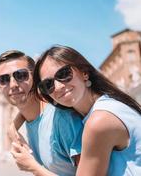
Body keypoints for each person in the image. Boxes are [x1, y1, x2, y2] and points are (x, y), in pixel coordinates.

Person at [30, 45, 141, 175]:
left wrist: (32, 166)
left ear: (84, 72)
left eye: (64, 74)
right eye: (48, 84)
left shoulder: (99, 121)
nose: (58, 86)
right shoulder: (107, 105)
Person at [0, 50, 83, 176]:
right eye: (4, 79)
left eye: (21, 75)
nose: (13, 85)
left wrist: (33, 167)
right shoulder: (29, 120)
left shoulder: (64, 120)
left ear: (36, 78)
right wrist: (11, 127)